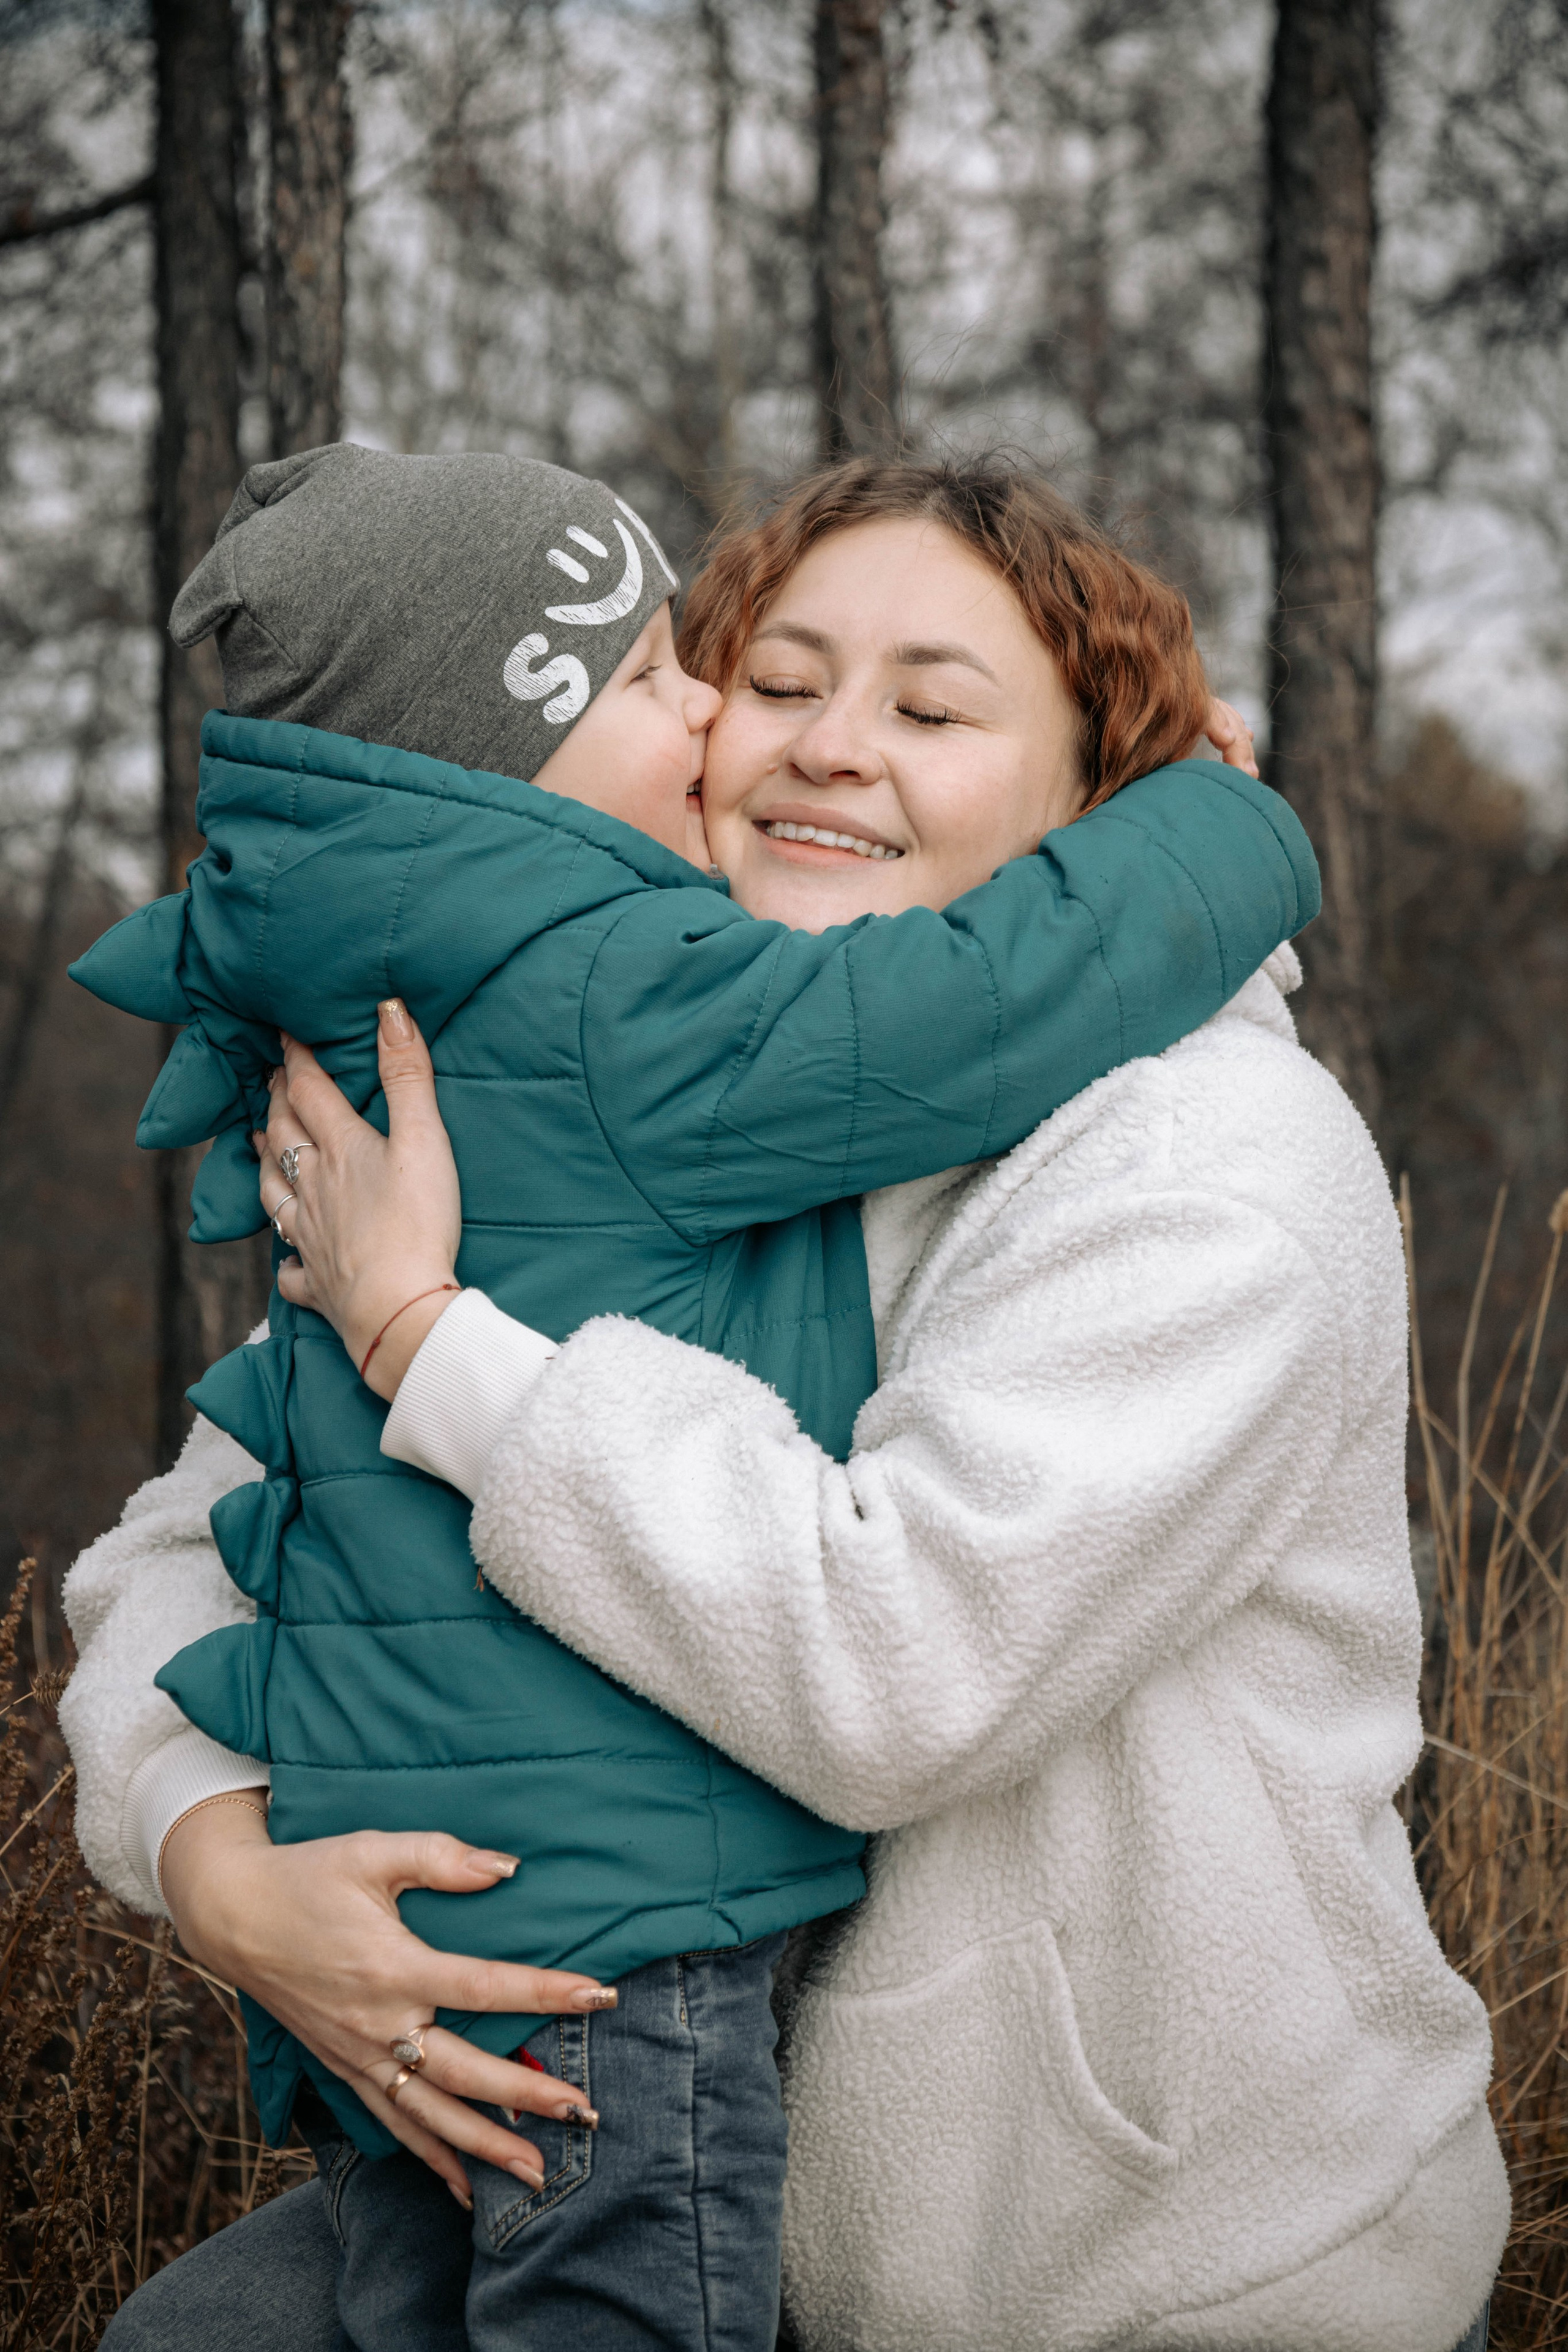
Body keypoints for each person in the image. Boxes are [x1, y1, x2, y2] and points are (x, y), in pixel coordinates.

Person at [70, 450, 1311, 2351]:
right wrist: (209, 1860)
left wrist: (433, 1335)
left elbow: (903, 1664)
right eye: (767, 678)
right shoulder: (620, 1038)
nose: (807, 741)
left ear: (1097, 797)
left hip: (1107, 2272)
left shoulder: (1205, 1163)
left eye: (929, 706)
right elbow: (200, 1527)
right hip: (600, 2062)